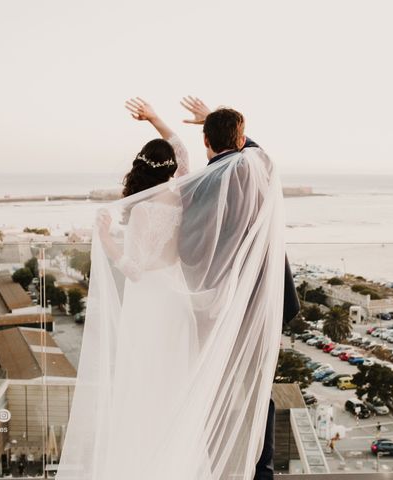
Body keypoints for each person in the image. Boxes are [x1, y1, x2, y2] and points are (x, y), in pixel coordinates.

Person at [58, 97, 287, 480]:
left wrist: (105, 237)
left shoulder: (147, 208)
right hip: (175, 300)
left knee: (142, 384)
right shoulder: (183, 192)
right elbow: (184, 150)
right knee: (173, 383)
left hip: (149, 303)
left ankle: (146, 462)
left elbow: (134, 269)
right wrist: (159, 120)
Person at [180, 97, 300, 480]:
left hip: (221, 307)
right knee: (257, 388)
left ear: (204, 141)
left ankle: (219, 467)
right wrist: (215, 120)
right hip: (264, 303)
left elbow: (190, 249)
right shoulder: (259, 168)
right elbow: (254, 149)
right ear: (242, 137)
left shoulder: (203, 184)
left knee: (213, 387)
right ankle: (260, 469)